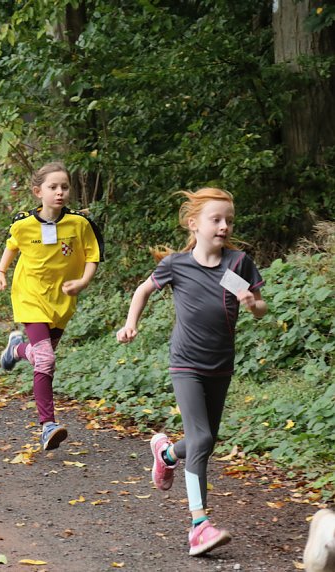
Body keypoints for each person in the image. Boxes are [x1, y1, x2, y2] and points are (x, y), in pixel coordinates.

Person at [116, 187, 267, 557]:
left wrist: (252, 303)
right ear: (194, 223)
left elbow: (261, 309)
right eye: (216, 219)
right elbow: (142, 290)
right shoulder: (177, 265)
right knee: (200, 440)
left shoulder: (238, 264)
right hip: (186, 363)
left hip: (221, 365)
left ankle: (166, 454)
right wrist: (130, 323)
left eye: (229, 220)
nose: (224, 226)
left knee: (207, 440)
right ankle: (199, 526)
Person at [0, 162, 103, 451]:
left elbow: (93, 256)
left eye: (64, 187)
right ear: (37, 191)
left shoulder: (79, 224)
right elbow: (12, 244)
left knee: (42, 355)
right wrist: (1, 272)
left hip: (62, 300)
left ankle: (16, 349)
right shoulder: (23, 223)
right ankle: (47, 425)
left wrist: (83, 282)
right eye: (53, 187)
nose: (60, 192)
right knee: (46, 361)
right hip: (29, 295)